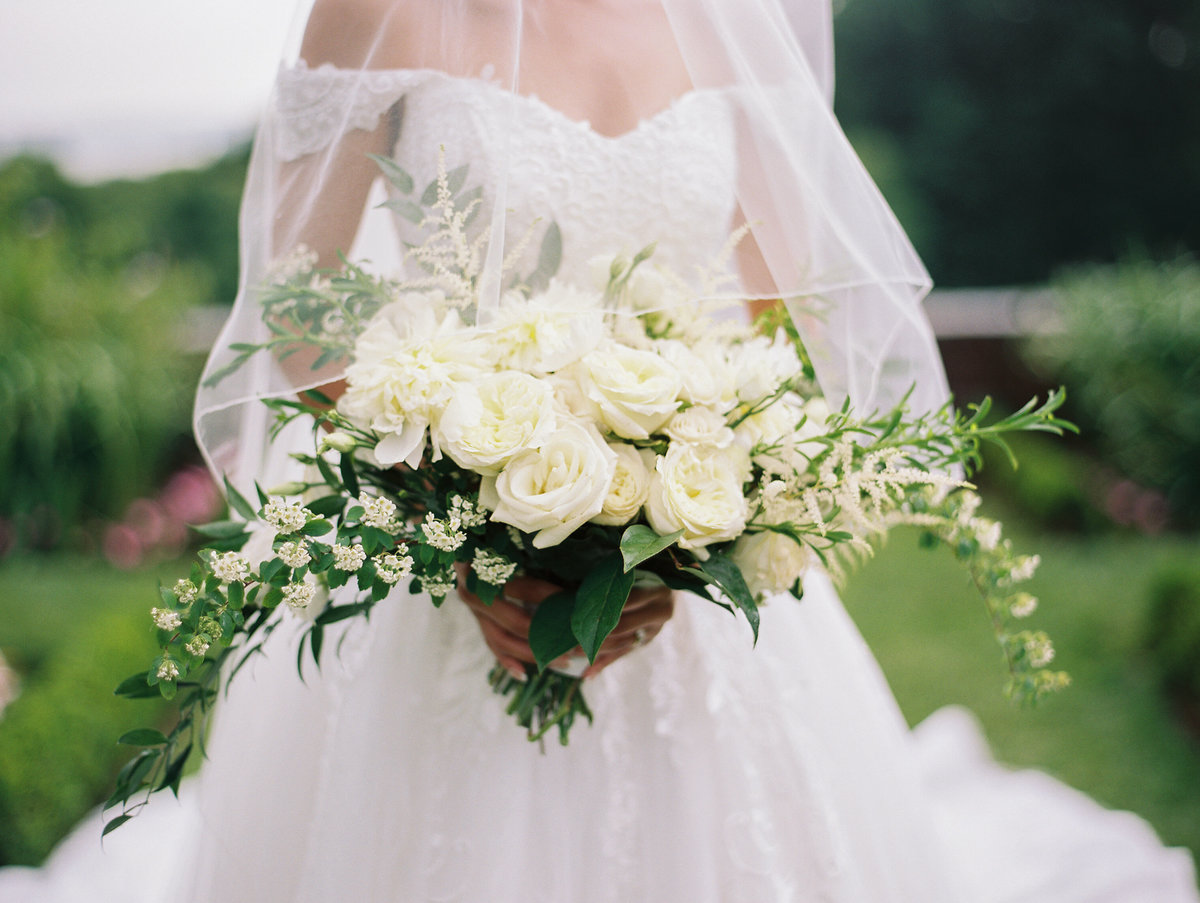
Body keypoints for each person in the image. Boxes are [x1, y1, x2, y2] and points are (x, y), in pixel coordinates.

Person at [2, 1, 1196, 901]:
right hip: (436, 554)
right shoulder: (379, 4)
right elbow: (302, 310)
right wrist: (463, 539)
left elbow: (784, 304)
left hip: (692, 561)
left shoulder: (738, 15)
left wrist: (706, 500)